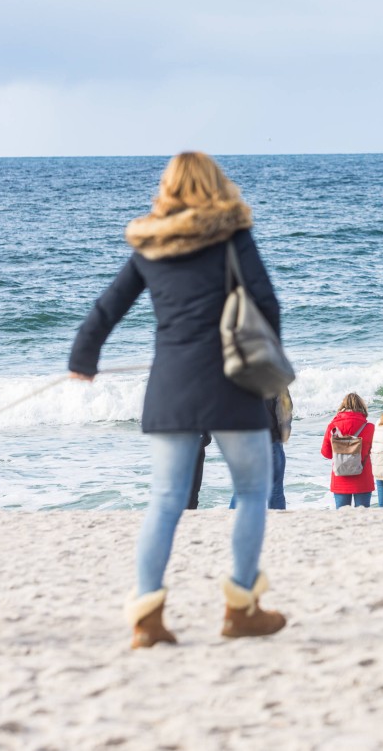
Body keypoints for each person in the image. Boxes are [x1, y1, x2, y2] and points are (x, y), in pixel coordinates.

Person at [69, 151, 287, 647]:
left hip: (170, 385)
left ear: (167, 188)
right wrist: (267, 362)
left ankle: (146, 619)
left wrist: (84, 359)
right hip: (233, 384)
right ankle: (241, 609)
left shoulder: (151, 246)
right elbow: (267, 304)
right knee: (253, 492)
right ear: (217, 184)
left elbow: (107, 308)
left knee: (164, 500)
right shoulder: (233, 237)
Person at [227, 389, 293, 510]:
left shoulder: (239, 379)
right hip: (270, 441)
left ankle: (231, 520)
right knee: (275, 490)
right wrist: (283, 435)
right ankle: (277, 524)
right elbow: (284, 416)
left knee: (242, 489)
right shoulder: (277, 381)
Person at [320, 393, 375, 508]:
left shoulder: (333, 427)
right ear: (362, 407)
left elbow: (326, 454)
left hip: (340, 478)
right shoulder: (370, 427)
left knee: (342, 517)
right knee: (363, 518)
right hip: (363, 477)